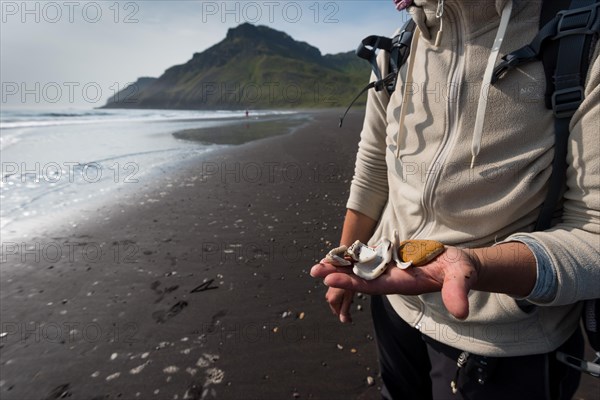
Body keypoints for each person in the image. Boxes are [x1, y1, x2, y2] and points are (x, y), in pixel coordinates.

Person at [310, 0, 600, 399]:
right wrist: (345, 260)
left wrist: (476, 266)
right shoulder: (398, 45)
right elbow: (374, 167)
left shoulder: (582, 36)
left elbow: (595, 234)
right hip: (393, 304)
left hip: (504, 341)